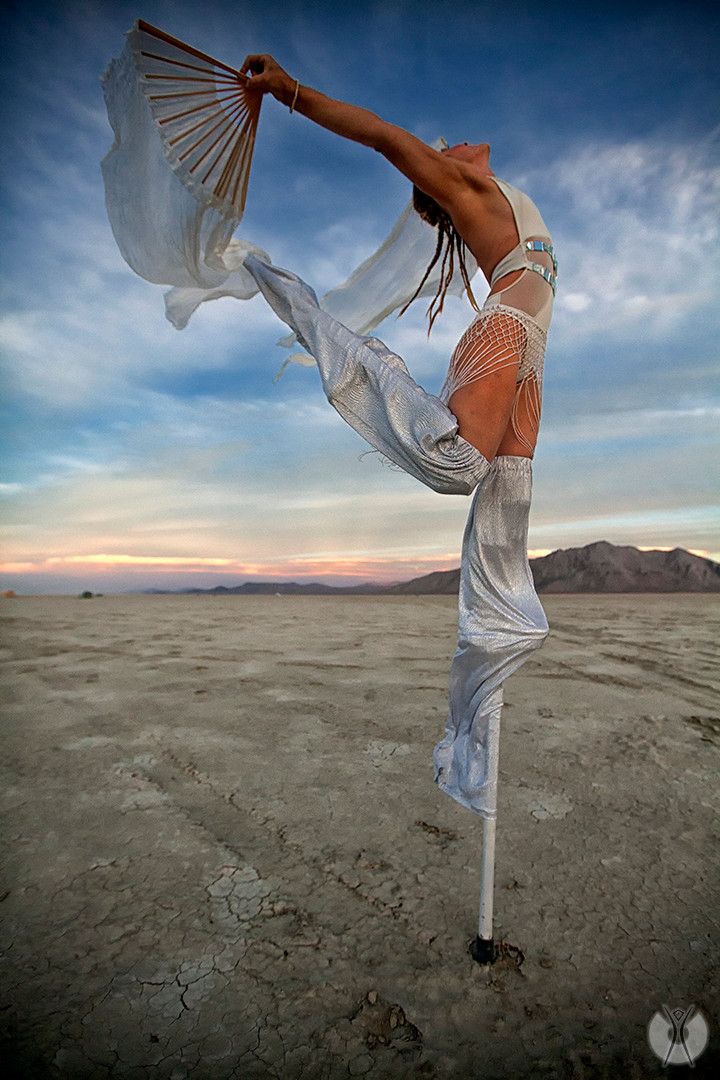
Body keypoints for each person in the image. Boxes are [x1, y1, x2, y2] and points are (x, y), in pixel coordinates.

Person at [239, 54, 554, 818]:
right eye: (441, 153)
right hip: (507, 330)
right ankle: (323, 330)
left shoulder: (483, 192)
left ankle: (487, 672)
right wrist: (291, 93)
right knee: (459, 463)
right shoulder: (466, 189)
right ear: (443, 180)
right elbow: (382, 135)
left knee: (507, 500)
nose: (454, 143)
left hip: (529, 346)